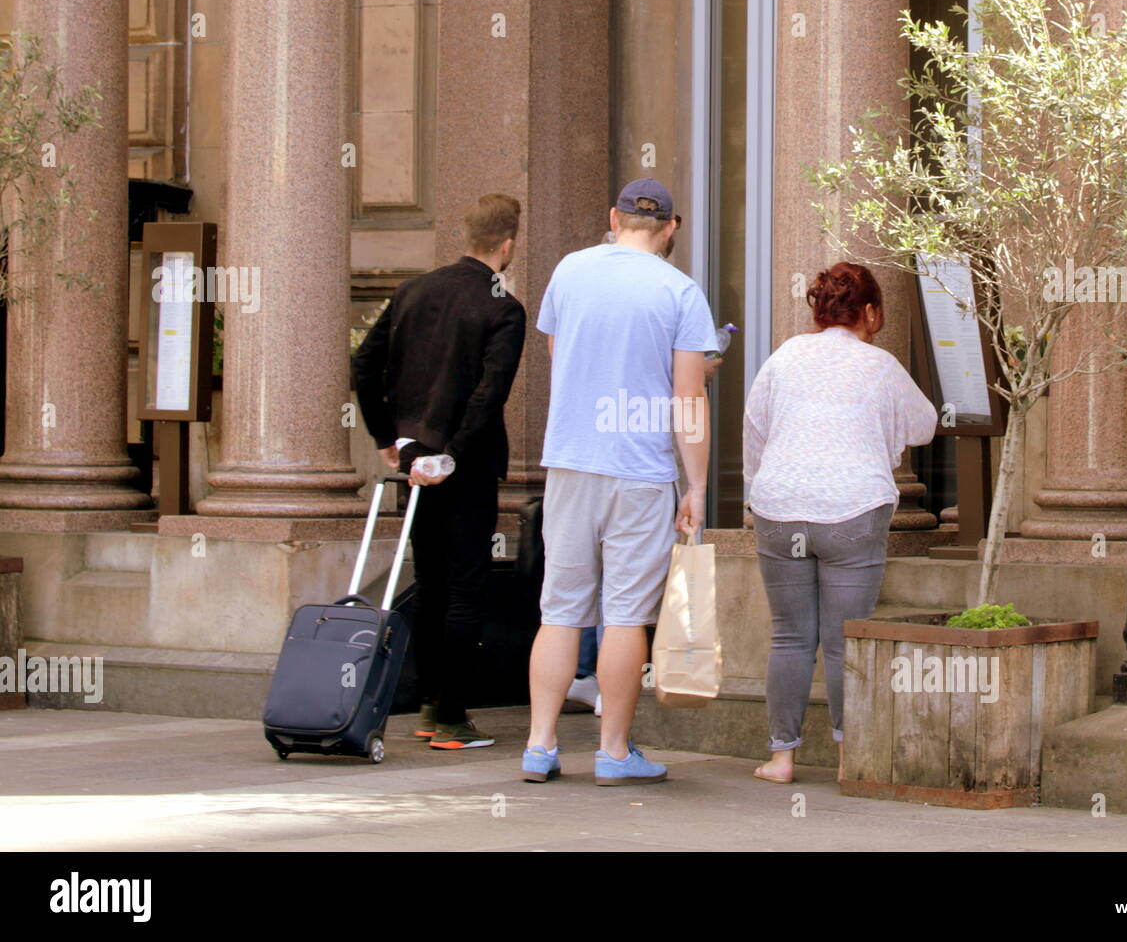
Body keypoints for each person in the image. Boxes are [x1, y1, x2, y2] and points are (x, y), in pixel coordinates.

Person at [523, 178, 715, 785]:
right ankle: (611, 752)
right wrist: (698, 485)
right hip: (641, 470)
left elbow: (561, 354)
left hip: (573, 460)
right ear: (671, 228)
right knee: (626, 616)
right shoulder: (680, 291)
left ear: (614, 216)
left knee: (559, 611)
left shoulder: (569, 272)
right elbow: (689, 399)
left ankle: (539, 745)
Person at [743, 262, 936, 783]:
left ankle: (782, 758)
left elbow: (755, 434)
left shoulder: (783, 358)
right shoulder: (880, 365)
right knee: (845, 638)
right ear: (870, 312)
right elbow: (925, 424)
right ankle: (851, 760)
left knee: (790, 637)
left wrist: (763, 491)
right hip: (853, 509)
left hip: (780, 510)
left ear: (818, 310)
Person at [353, 193, 526, 750]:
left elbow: (363, 361)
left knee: (428, 584)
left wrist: (389, 439)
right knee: (465, 588)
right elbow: (487, 394)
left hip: (414, 458)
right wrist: (452, 452)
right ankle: (451, 716)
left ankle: (430, 706)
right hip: (464, 465)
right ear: (507, 244)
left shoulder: (412, 289)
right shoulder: (504, 307)